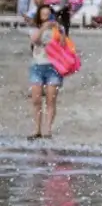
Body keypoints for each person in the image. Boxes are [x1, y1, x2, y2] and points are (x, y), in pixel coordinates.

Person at [26, 11, 69, 139]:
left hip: (54, 68)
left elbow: (63, 45)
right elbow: (35, 40)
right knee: (36, 100)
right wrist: (44, 28)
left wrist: (60, 32)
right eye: (44, 15)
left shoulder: (58, 29)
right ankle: (37, 129)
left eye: (49, 15)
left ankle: (48, 130)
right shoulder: (34, 29)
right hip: (37, 67)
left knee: (51, 100)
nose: (47, 17)